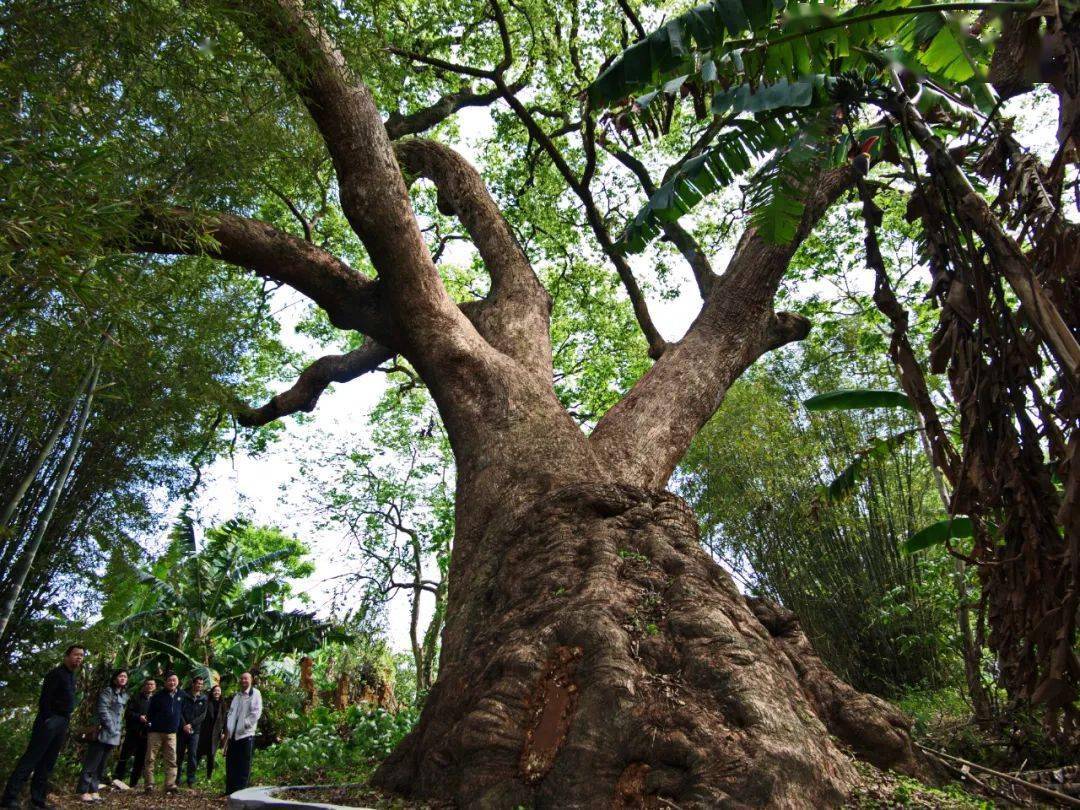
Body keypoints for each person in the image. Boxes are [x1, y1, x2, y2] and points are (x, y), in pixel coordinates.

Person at [1, 644, 85, 810]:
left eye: (82, 656)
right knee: (32, 758)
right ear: (67, 656)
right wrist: (48, 719)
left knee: (48, 762)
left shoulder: (71, 676)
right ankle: (9, 798)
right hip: (50, 721)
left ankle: (37, 800)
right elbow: (45, 699)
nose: (79, 658)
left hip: (62, 721)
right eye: (76, 655)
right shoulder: (56, 674)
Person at [75, 668, 129, 803]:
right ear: (115, 678)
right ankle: (83, 790)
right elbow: (102, 709)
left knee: (101, 765)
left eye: (125, 677)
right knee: (92, 762)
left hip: (114, 734)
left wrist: (117, 730)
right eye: (120, 676)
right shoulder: (108, 691)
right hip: (102, 731)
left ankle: (94, 790)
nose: (123, 678)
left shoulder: (124, 695)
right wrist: (110, 726)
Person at [143, 671, 182, 794]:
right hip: (156, 732)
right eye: (170, 680)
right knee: (150, 758)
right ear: (165, 682)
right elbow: (150, 713)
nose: (172, 682)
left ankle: (170, 784)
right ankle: (149, 784)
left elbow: (183, 712)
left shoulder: (181, 695)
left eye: (174, 680)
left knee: (171, 759)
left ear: (178, 681)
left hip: (171, 733)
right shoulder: (158, 696)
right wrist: (152, 725)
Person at [223, 672, 262, 795]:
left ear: (251, 680)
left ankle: (241, 792)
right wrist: (229, 727)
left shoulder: (255, 694)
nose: (243, 680)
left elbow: (256, 712)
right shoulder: (237, 696)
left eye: (246, 678)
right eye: (242, 678)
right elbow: (231, 712)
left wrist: (245, 724)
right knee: (231, 764)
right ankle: (230, 791)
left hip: (246, 735)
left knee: (244, 765)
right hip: (233, 735)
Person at [112, 678, 155, 789]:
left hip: (146, 733)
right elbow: (128, 713)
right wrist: (138, 717)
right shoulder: (136, 698)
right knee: (124, 757)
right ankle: (117, 780)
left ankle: (133, 783)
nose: (150, 686)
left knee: (140, 759)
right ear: (144, 686)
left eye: (152, 684)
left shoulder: (155, 700)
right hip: (133, 731)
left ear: (154, 687)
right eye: (148, 684)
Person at [177, 675, 208, 787]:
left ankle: (190, 780)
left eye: (201, 684)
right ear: (193, 684)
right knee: (179, 754)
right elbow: (179, 711)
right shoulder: (184, 696)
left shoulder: (204, 698)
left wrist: (191, 724)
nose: (199, 685)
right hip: (182, 730)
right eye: (197, 683)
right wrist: (185, 725)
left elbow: (203, 715)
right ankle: (176, 779)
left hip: (195, 731)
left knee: (192, 755)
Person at [197, 684, 225, 782]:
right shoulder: (207, 702)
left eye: (218, 691)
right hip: (205, 732)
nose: (216, 692)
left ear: (221, 693)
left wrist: (224, 732)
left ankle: (209, 776)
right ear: (212, 692)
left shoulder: (223, 704)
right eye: (215, 691)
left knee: (211, 756)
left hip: (216, 734)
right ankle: (191, 775)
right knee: (198, 753)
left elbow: (224, 719)